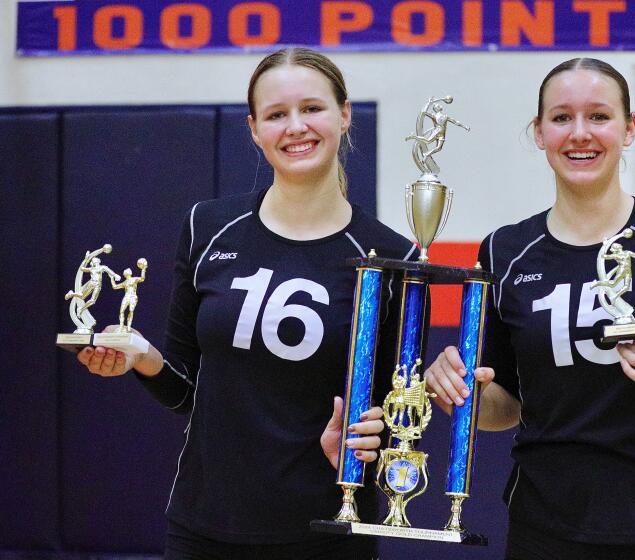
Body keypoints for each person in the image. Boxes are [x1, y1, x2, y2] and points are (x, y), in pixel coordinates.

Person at [76, 48, 417, 559]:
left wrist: (370, 442)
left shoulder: (394, 257)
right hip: (204, 527)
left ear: (345, 115)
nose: (295, 127)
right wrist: (142, 359)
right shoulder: (208, 227)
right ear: (254, 129)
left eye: (313, 108)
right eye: (277, 115)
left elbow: (397, 418)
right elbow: (188, 393)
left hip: (328, 532)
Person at [425, 58, 635, 560]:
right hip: (544, 529)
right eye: (561, 118)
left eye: (599, 117)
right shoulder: (504, 250)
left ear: (630, 128)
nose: (580, 134)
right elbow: (506, 406)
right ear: (539, 133)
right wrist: (460, 394)